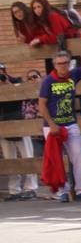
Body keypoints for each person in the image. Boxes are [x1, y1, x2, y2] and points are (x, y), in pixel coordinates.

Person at [36, 36, 81, 202]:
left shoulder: (73, 75)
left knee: (78, 156)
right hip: (52, 126)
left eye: (65, 63)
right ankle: (62, 191)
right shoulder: (48, 81)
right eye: (60, 64)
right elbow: (42, 105)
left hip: (70, 123)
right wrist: (52, 125)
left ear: (69, 63)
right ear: (54, 65)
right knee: (56, 159)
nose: (63, 66)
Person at [1, 64, 38, 200]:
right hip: (4, 125)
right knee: (9, 159)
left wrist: (7, 83)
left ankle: (31, 188)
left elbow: (22, 95)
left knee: (28, 156)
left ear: (5, 71)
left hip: (21, 124)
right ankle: (14, 190)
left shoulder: (17, 81)